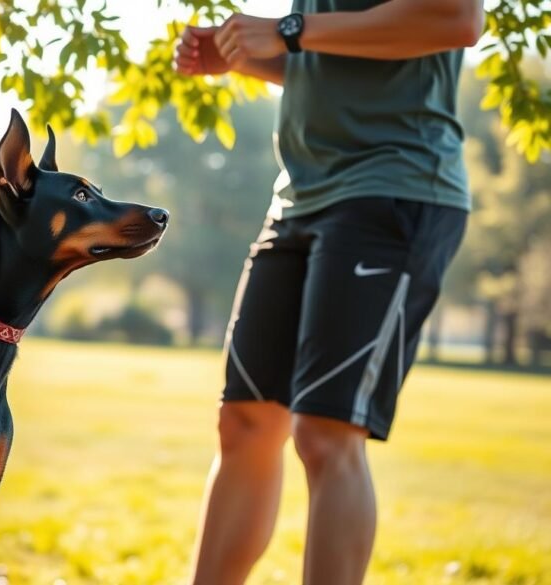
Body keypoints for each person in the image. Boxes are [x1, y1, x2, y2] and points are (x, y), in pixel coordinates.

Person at [173, 1, 483, 584]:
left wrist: (287, 31)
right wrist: (248, 55)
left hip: (395, 186)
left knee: (326, 431)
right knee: (245, 421)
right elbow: (337, 63)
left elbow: (456, 19)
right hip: (298, 198)